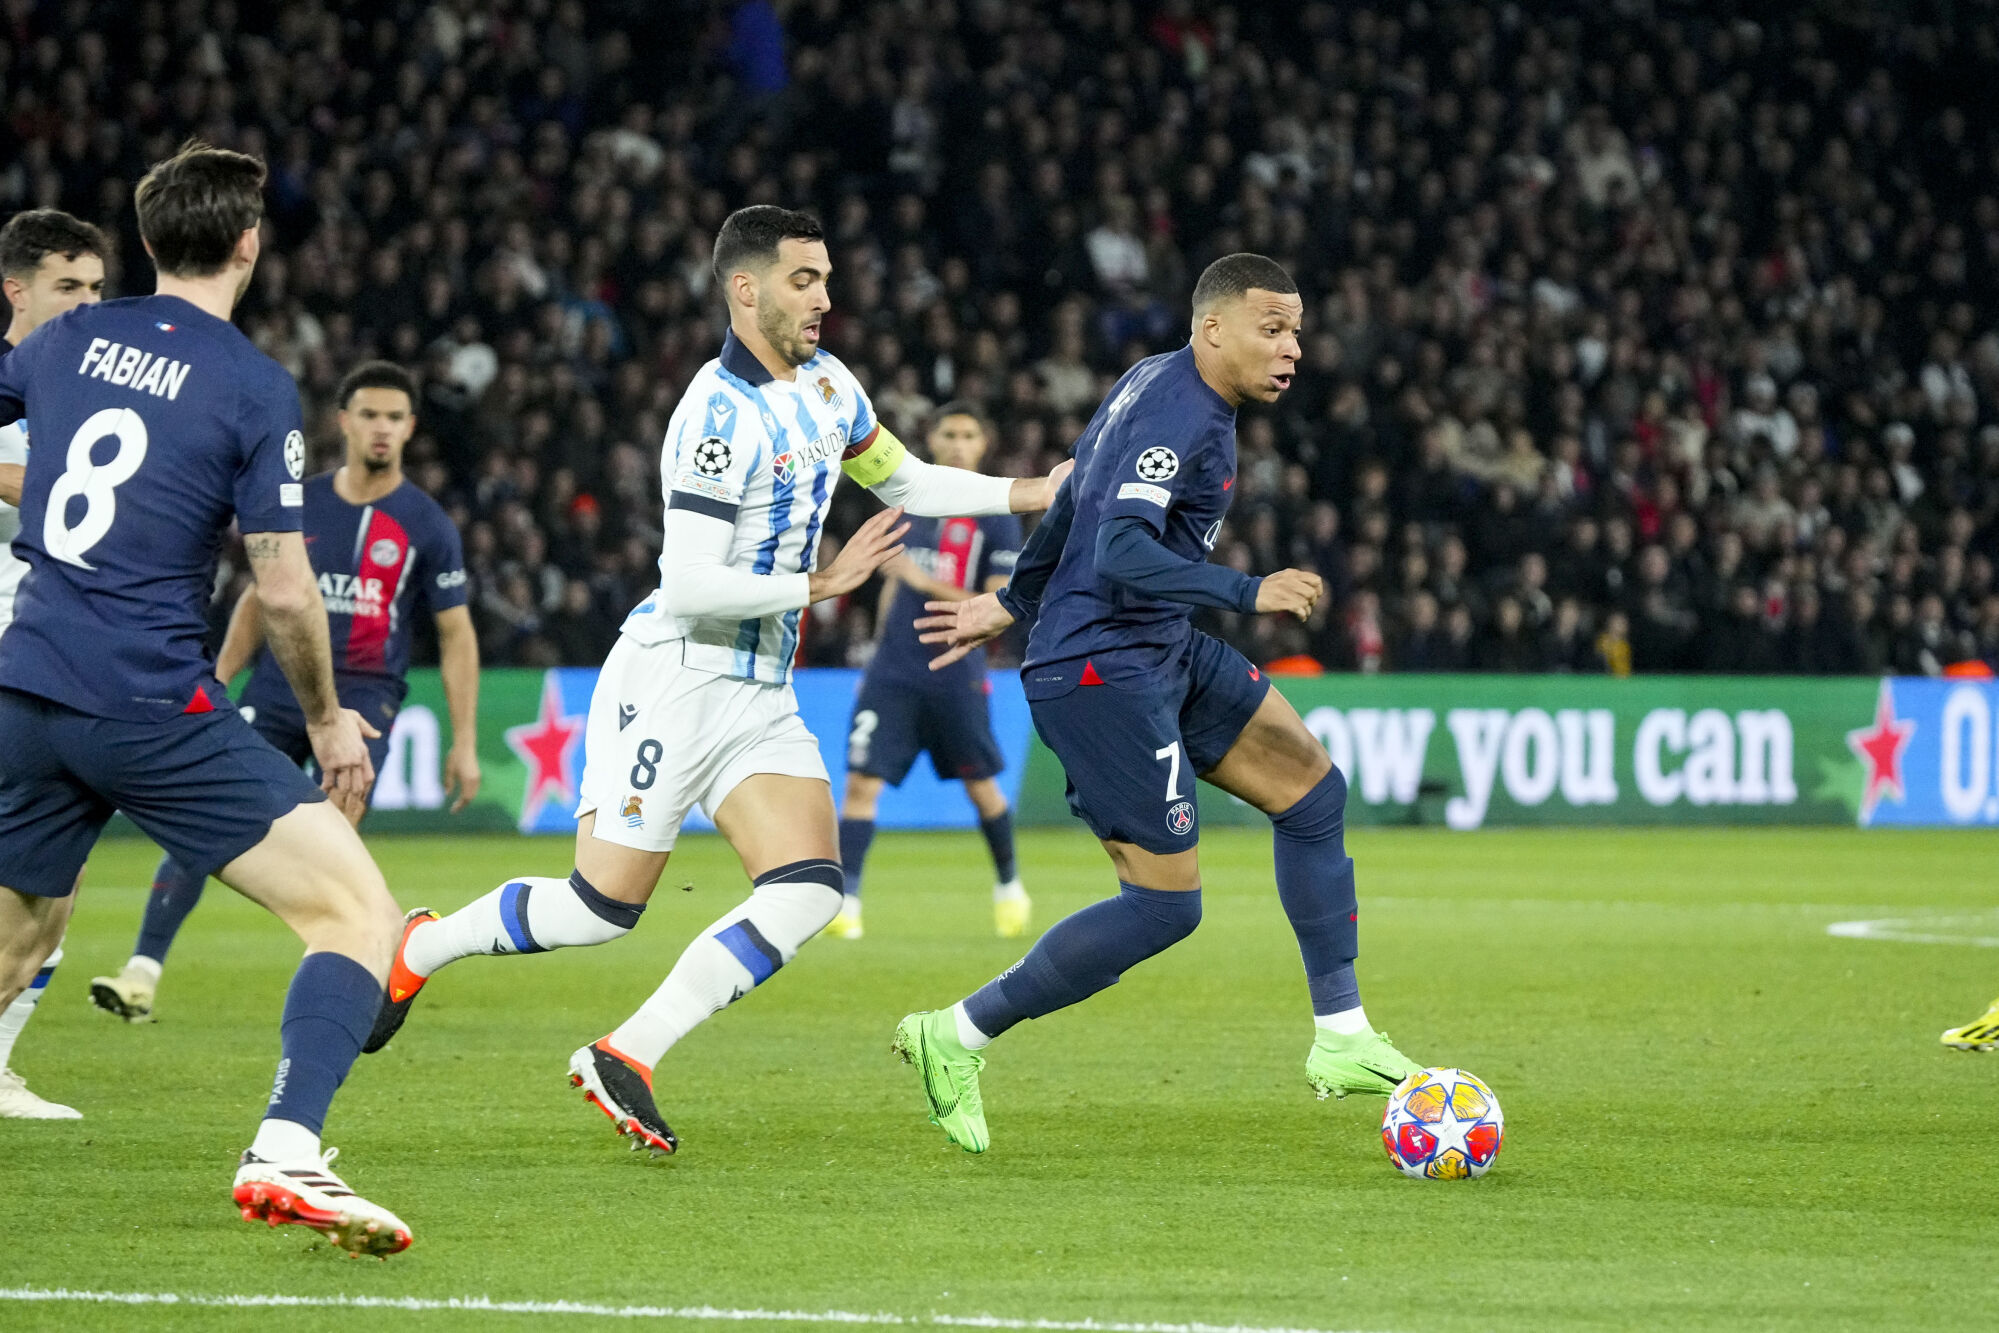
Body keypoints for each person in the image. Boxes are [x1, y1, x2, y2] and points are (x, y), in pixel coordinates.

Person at [366, 206, 1066, 1155]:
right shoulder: (712, 413)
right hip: (678, 674)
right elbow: (688, 582)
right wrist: (819, 582)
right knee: (598, 909)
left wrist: (1030, 491)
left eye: (825, 277)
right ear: (745, 289)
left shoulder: (827, 384)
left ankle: (628, 1052)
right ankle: (421, 945)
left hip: (760, 684)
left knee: (811, 886)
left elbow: (901, 480)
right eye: (803, 280)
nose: (825, 297)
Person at [893, 254, 1423, 1153]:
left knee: (1310, 790)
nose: (1293, 348)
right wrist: (1247, 588)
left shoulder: (1152, 379)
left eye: (1296, 329)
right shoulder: (1182, 413)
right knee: (1164, 906)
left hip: (1154, 646)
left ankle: (1340, 1035)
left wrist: (1012, 600)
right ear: (1213, 327)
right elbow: (1121, 548)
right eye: (1273, 328)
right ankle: (954, 1033)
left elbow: (1068, 504)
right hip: (1098, 669)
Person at [0, 142, 410, 1254]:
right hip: (143, 699)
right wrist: (325, 718)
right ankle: (286, 1150)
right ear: (248, 243)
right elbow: (281, 583)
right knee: (355, 914)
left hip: (28, 685)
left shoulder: (67, 335)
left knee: (19, 942)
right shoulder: (251, 385)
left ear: (141, 242)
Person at [90, 360, 481, 1023]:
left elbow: (456, 634)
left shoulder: (427, 525)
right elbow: (257, 600)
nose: (381, 429)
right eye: (369, 415)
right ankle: (141, 973)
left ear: (410, 427)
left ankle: (332, 990)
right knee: (201, 822)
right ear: (344, 421)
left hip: (366, 705)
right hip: (277, 691)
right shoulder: (302, 502)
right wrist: (215, 678)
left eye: (393, 417)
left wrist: (465, 740)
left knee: (331, 845)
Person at [828, 401, 1028, 942]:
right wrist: (876, 645)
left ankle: (1009, 886)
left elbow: (998, 601)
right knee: (861, 784)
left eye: (969, 434)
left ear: (983, 445)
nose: (959, 443)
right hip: (893, 670)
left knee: (981, 788)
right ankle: (846, 902)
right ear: (932, 441)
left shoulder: (995, 516)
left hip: (955, 670)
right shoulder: (908, 503)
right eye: (949, 434)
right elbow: (893, 582)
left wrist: (922, 581)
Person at [0, 207, 106, 1120]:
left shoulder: (88, 394)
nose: (84, 304)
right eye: (66, 286)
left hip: (49, 658)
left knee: (53, 887)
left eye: (96, 289)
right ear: (16, 290)